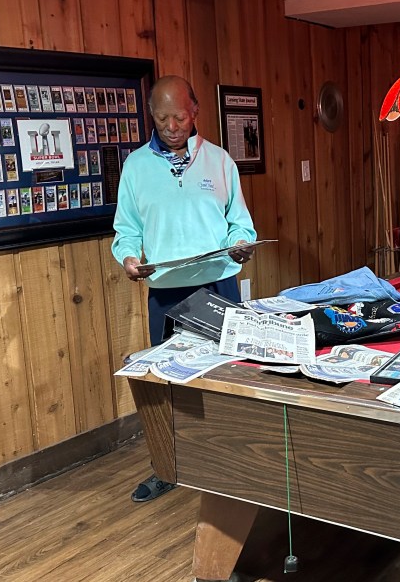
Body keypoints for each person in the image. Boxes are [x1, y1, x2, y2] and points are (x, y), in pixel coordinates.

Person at [112, 75, 257, 502]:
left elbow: (239, 222)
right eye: (162, 119)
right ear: (152, 118)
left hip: (219, 282)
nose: (172, 126)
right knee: (168, 383)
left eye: (179, 116)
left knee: (229, 374)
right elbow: (126, 230)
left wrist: (241, 244)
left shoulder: (219, 160)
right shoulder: (136, 167)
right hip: (166, 291)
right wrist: (129, 259)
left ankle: (236, 464)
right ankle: (169, 466)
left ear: (195, 111)